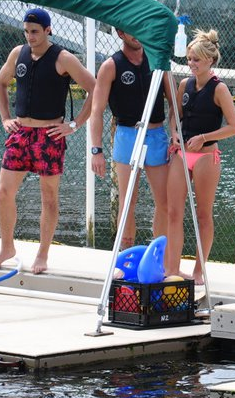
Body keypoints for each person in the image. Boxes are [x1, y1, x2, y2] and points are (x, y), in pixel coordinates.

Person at [0, 8, 96, 274]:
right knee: (3, 192)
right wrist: (5, 118)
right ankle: (6, 247)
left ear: (48, 30)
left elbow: (96, 88)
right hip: (21, 133)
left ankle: (43, 254)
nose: (30, 36)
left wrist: (74, 124)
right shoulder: (18, 53)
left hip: (49, 135)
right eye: (26, 31)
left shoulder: (64, 58)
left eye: (35, 31)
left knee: (48, 198)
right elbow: (0, 83)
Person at [166, 29, 235, 285]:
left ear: (209, 60)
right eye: (189, 59)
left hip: (207, 157)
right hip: (181, 154)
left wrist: (205, 137)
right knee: (174, 212)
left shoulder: (219, 88)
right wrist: (174, 133)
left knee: (203, 214)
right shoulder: (184, 85)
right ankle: (172, 267)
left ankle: (199, 269)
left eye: (196, 59)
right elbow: (175, 115)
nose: (191, 64)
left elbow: (233, 126)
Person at [90, 29, 174, 250]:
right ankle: (125, 258)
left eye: (140, 28)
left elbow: (175, 103)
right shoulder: (111, 65)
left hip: (156, 135)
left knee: (164, 202)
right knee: (127, 202)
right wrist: (96, 150)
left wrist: (175, 134)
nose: (137, 33)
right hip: (127, 135)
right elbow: (96, 110)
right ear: (119, 32)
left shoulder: (158, 61)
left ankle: (159, 257)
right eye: (131, 29)